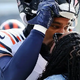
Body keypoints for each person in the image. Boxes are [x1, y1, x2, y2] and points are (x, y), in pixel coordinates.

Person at [0, 0, 79, 80]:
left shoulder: (70, 49)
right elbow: (9, 77)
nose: (62, 33)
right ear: (34, 22)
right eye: (55, 26)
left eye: (67, 27)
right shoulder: (8, 39)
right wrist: (40, 29)